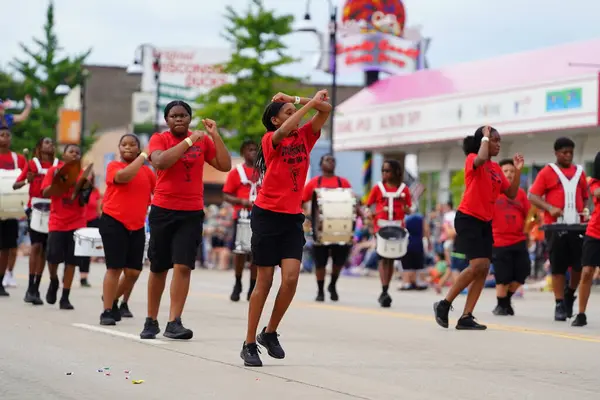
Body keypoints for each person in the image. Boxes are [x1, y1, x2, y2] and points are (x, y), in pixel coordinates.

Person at [240, 89, 331, 367]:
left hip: (292, 216)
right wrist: (303, 106)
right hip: (267, 215)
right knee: (264, 282)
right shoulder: (270, 139)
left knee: (290, 278)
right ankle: (248, 343)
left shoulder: (305, 136)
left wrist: (298, 100)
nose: (293, 117)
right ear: (275, 121)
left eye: (293, 113)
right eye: (287, 114)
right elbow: (290, 126)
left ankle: (269, 333)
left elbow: (326, 109)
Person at [141, 101, 231, 340]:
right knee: (159, 267)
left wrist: (214, 136)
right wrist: (190, 141)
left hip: (191, 212)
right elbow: (160, 161)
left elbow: (225, 164)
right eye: (174, 116)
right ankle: (151, 319)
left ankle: (174, 321)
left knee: (183, 265)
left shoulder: (202, 140)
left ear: (190, 118)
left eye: (183, 116)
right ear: (167, 120)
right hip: (163, 209)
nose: (179, 119)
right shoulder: (159, 139)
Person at [433, 126, 523, 330]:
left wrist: (517, 171)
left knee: (483, 269)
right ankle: (444, 304)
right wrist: (483, 137)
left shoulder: (496, 169)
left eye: (500, 140)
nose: (498, 144)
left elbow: (510, 193)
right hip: (468, 218)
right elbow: (480, 158)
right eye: (494, 140)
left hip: (485, 221)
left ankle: (466, 316)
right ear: (483, 141)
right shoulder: (473, 159)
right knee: (478, 264)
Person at [528, 137, 588, 321]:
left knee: (579, 265)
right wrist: (549, 208)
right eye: (564, 152)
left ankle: (570, 293)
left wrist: (584, 209)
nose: (568, 156)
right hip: (555, 226)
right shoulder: (547, 172)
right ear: (556, 153)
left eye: (570, 152)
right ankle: (559, 303)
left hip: (577, 225)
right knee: (558, 266)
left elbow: (585, 196)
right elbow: (533, 195)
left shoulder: (580, 172)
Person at [99, 134, 155, 325]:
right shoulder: (114, 166)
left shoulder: (148, 173)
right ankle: (106, 310)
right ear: (119, 148)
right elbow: (124, 177)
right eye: (124, 145)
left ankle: (112, 298)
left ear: (138, 148)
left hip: (137, 225)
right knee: (114, 268)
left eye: (133, 145)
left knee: (133, 272)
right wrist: (143, 157)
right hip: (113, 221)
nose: (128, 148)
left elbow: (158, 192)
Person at [41, 144, 89, 310]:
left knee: (72, 261)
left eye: (77, 152)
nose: (74, 154)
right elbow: (45, 193)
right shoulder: (54, 171)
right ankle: (54, 280)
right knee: (52, 258)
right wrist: (58, 184)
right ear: (64, 154)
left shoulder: (83, 174)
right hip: (57, 222)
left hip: (77, 223)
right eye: (71, 152)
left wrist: (84, 189)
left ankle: (65, 297)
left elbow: (84, 200)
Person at [302, 153, 352, 302]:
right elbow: (303, 201)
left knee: (338, 261)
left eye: (332, 160)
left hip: (340, 228)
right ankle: (320, 290)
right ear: (321, 164)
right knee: (320, 261)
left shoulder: (343, 183)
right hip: (319, 228)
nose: (330, 163)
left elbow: (350, 201)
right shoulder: (313, 183)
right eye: (327, 160)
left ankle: (333, 284)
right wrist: (309, 215)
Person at [14, 137, 57, 304]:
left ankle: (36, 288)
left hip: (53, 208)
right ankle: (30, 287)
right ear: (39, 146)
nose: (50, 144)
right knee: (36, 246)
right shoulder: (32, 164)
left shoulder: (57, 165)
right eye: (46, 142)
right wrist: (27, 180)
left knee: (45, 249)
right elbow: (16, 185)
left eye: (51, 142)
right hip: (36, 207)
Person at [366, 159, 412, 307]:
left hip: (397, 227)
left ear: (396, 172)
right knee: (382, 257)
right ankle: (384, 289)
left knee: (391, 258)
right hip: (381, 227)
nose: (385, 174)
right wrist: (369, 214)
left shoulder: (404, 189)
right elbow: (368, 206)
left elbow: (409, 208)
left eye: (388, 171)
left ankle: (385, 289)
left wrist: (406, 209)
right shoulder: (378, 188)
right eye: (383, 171)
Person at [491, 159, 531, 316]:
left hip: (519, 240)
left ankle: (504, 301)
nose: (509, 174)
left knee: (523, 272)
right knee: (503, 276)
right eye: (506, 171)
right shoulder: (493, 191)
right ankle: (502, 305)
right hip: (498, 241)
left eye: (512, 171)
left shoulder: (520, 194)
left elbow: (528, 216)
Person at [223, 138, 260, 302]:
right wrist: (240, 201)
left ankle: (252, 286)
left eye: (255, 149)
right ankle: (238, 283)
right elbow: (226, 194)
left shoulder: (264, 171)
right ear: (243, 152)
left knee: (256, 254)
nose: (252, 152)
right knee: (240, 251)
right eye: (249, 149)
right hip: (242, 216)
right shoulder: (237, 172)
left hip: (259, 216)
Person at [573, 152, 600, 327]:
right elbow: (597, 192)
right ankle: (581, 313)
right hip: (595, 232)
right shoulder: (594, 182)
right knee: (587, 272)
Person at [0, 126, 27, 297]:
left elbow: (25, 181)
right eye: (1, 135)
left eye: (7, 135)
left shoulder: (18, 159)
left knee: (7, 247)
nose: (4, 138)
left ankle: (1, 279)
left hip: (9, 210)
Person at [78, 173, 101, 287]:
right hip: (79, 221)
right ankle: (67, 273)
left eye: (91, 177)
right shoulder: (77, 189)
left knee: (87, 251)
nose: (89, 178)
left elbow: (98, 207)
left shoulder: (95, 191)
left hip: (92, 221)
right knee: (75, 250)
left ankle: (84, 277)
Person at [399, 210, 429, 291]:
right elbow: (426, 230)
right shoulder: (421, 218)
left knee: (407, 265)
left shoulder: (404, 218)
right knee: (419, 264)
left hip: (407, 243)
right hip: (418, 243)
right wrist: (428, 241)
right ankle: (419, 282)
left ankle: (407, 283)